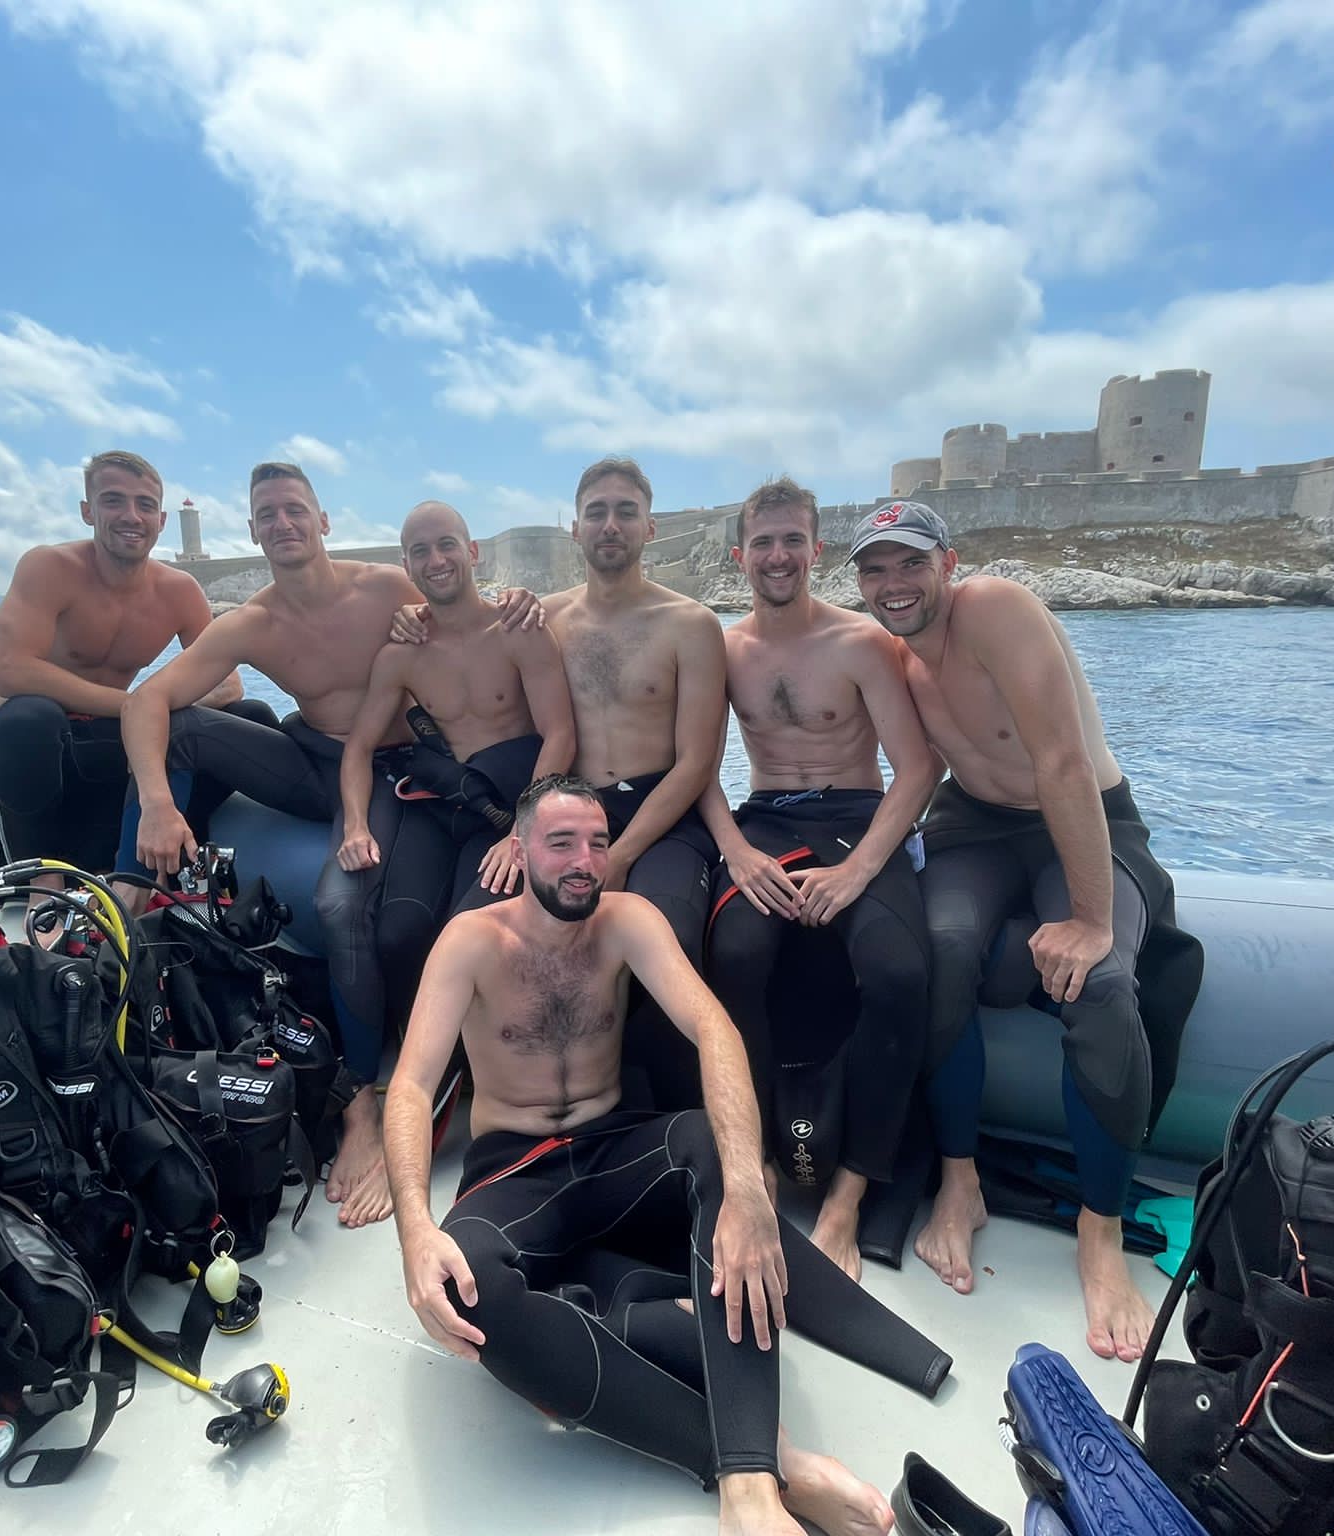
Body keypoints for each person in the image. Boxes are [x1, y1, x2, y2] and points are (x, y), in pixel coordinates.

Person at [385, 776, 950, 1536]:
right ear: (518, 851)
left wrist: (747, 1191)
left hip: (612, 1148)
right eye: (561, 843)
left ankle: (747, 1489)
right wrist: (415, 1231)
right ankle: (774, 1465)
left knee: (710, 1146)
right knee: (465, 1294)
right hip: (514, 1169)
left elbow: (715, 1030)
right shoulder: (473, 941)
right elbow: (413, 1087)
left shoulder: (626, 920)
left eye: (597, 843)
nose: (584, 861)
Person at [122, 462, 539, 1227]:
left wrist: (522, 601)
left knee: (342, 903)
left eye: (295, 510)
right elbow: (148, 698)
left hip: (390, 766)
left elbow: (463, 612)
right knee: (182, 728)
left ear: (323, 520)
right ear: (253, 532)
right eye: (267, 515)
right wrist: (156, 804)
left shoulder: (385, 589)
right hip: (313, 758)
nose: (283, 524)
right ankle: (129, 892)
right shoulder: (252, 622)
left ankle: (363, 1098)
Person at [848, 500, 1203, 1362]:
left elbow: (1063, 761)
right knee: (940, 951)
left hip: (1081, 817)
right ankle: (959, 1183)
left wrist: (1089, 919)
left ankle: (1099, 1232)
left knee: (1104, 982)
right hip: (974, 825)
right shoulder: (893, 652)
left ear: (948, 563)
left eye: (911, 563)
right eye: (875, 569)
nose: (894, 584)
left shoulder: (995, 608)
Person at [699, 478, 940, 1282]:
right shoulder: (724, 650)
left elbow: (918, 769)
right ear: (740, 555)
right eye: (763, 542)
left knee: (898, 973)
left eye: (792, 540)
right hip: (765, 819)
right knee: (735, 955)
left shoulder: (861, 643)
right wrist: (736, 850)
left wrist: (858, 869)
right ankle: (762, 1164)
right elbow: (699, 769)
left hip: (855, 817)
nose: (778, 556)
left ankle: (848, 1194)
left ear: (816, 549)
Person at [0, 449, 264, 874]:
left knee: (252, 716)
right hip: (31, 744)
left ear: (162, 520)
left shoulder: (178, 591)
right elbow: (9, 670)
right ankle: (38, 879)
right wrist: (135, 706)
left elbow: (228, 685)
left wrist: (147, 714)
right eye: (113, 501)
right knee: (30, 716)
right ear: (88, 511)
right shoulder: (49, 567)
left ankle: (151, 855)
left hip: (113, 740)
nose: (131, 516)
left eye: (145, 505)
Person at [337, 501, 576, 920]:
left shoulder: (519, 632)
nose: (436, 561)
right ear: (407, 567)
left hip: (508, 804)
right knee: (399, 930)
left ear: (473, 551)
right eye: (421, 551)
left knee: (470, 925)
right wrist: (355, 826)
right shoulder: (400, 656)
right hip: (445, 802)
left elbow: (560, 734)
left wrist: (523, 829)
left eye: (447, 545)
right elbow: (358, 748)